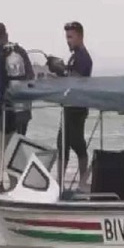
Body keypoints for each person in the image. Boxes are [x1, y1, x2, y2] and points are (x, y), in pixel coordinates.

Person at [47, 21, 93, 189]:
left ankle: (81, 182)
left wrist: (61, 70)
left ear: (80, 36)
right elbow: (67, 77)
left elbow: (77, 79)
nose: (68, 41)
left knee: (75, 144)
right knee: (63, 144)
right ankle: (62, 184)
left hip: (77, 107)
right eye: (66, 37)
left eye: (70, 37)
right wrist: (56, 76)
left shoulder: (83, 57)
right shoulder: (74, 55)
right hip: (69, 105)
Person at [0, 22, 34, 136]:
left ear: (6, 35)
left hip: (20, 102)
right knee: (7, 139)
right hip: (4, 103)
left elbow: (30, 75)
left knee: (19, 136)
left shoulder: (17, 52)